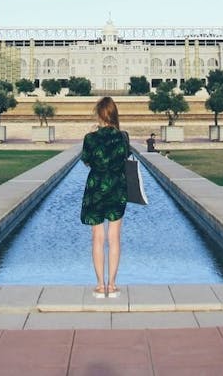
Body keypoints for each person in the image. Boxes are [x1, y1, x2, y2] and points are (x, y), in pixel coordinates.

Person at [80, 96, 129, 298]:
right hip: (117, 188)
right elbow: (125, 157)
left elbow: (86, 161)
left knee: (97, 237)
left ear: (99, 115)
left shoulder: (90, 138)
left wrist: (94, 134)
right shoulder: (122, 137)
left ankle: (100, 286)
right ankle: (112, 285)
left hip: (96, 188)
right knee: (114, 238)